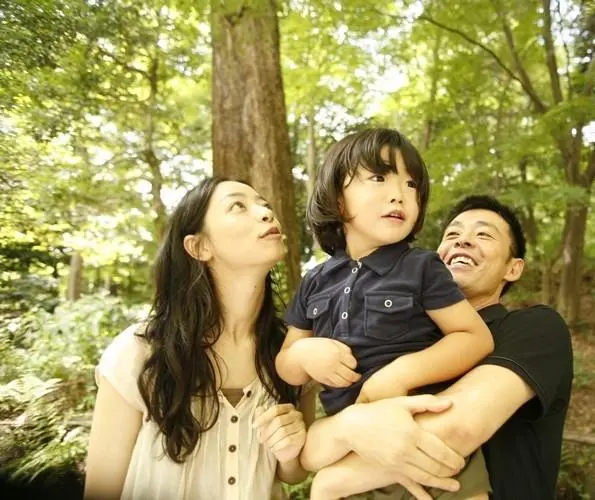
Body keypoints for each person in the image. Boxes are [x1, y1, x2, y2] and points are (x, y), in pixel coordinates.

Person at [301, 195, 573, 500]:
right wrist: (350, 425)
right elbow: (310, 451)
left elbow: (457, 429)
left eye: (483, 234)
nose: (462, 241)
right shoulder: (405, 341)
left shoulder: (534, 328)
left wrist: (332, 480)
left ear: (513, 268)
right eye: (452, 234)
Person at [276, 128, 495, 500]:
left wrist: (399, 374)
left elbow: (474, 338)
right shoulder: (315, 281)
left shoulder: (421, 267)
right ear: (337, 198)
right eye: (379, 178)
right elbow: (286, 364)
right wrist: (302, 353)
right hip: (353, 456)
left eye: (411, 185)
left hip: (430, 445)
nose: (399, 194)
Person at [84, 177, 316, 500]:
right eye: (238, 206)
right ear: (199, 247)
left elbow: (293, 473)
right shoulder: (139, 352)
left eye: (264, 205)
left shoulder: (292, 353)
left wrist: (290, 452)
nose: (266, 213)